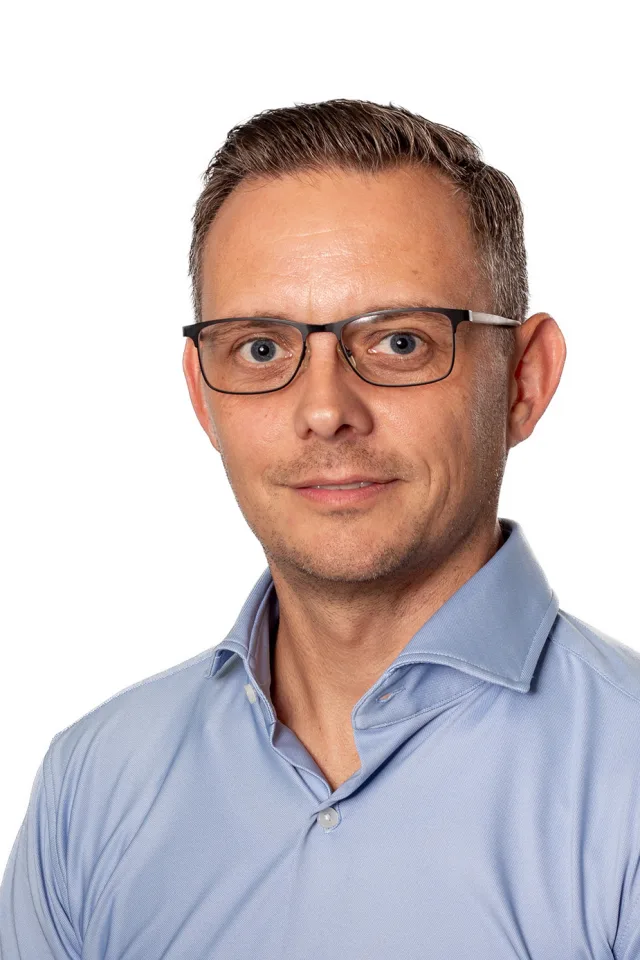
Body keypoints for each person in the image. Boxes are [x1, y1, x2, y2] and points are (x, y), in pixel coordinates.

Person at [1, 98, 639, 960]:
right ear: (203, 395)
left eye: (401, 342)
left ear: (523, 380)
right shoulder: (92, 783)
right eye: (261, 349)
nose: (326, 411)